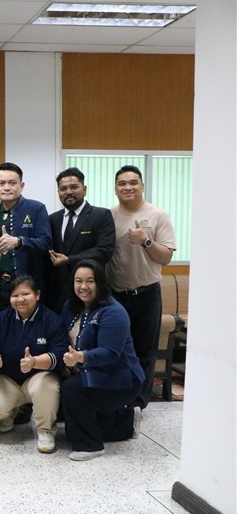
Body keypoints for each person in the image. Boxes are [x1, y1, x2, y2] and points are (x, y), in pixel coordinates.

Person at [60, 260, 145, 461]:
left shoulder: (114, 312)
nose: (83, 286)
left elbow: (110, 353)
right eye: (78, 281)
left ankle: (90, 446)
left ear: (100, 282)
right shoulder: (70, 306)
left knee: (72, 390)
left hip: (121, 376)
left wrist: (80, 357)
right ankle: (126, 421)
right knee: (69, 426)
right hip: (90, 370)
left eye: (90, 281)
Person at [106, 165, 176, 409]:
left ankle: (137, 404)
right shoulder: (108, 216)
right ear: (115, 189)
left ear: (142, 186)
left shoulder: (158, 215)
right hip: (114, 295)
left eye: (133, 182)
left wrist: (146, 241)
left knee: (145, 352)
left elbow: (165, 257)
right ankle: (116, 401)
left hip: (146, 294)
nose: (128, 187)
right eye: (122, 183)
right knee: (114, 350)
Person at [0, 275, 65, 454]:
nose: (20, 299)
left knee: (46, 386)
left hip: (38, 377)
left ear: (37, 295)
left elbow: (60, 354)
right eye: (15, 296)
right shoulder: (0, 319)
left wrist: (35, 362)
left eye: (25, 294)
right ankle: (10, 413)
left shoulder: (51, 319)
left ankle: (46, 430)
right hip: (7, 378)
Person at [0, 162, 51, 313]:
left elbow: (46, 244)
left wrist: (19, 242)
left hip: (27, 287)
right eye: (2, 183)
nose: (6, 187)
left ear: (22, 185)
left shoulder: (36, 208)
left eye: (12, 183)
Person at [45, 168, 115, 312]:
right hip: (58, 295)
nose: (68, 192)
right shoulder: (52, 219)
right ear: (58, 192)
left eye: (74, 187)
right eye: (63, 188)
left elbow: (104, 251)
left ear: (84, 189)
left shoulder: (101, 215)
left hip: (89, 292)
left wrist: (69, 259)